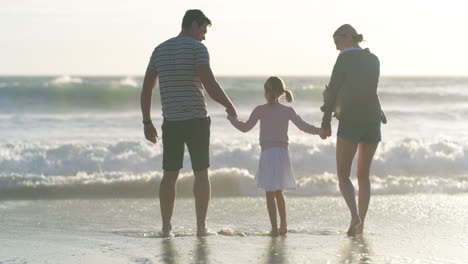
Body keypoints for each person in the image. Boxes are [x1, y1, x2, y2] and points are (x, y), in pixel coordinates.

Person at [140, 9, 238, 237]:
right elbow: (209, 83)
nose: (204, 36)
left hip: (171, 122)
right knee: (201, 173)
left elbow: (146, 88)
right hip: (196, 120)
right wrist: (229, 105)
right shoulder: (197, 49)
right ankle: (201, 227)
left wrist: (147, 121)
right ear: (194, 25)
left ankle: (166, 228)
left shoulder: (160, 50)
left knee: (169, 174)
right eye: (203, 30)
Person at [227, 76, 321, 236]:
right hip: (283, 154)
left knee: (269, 193)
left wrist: (231, 118)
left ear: (267, 91)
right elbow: (303, 126)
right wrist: (319, 131)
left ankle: (274, 228)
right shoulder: (287, 110)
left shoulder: (260, 109)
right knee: (278, 192)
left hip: (268, 154)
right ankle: (283, 225)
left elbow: (244, 128)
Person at [319, 24, 383, 236]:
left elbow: (335, 89)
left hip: (351, 121)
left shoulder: (344, 58)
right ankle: (361, 225)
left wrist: (325, 120)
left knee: (343, 174)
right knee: (364, 175)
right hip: (372, 120)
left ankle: (355, 216)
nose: (337, 48)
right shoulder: (373, 59)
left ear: (347, 37)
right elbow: (368, 90)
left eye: (337, 42)